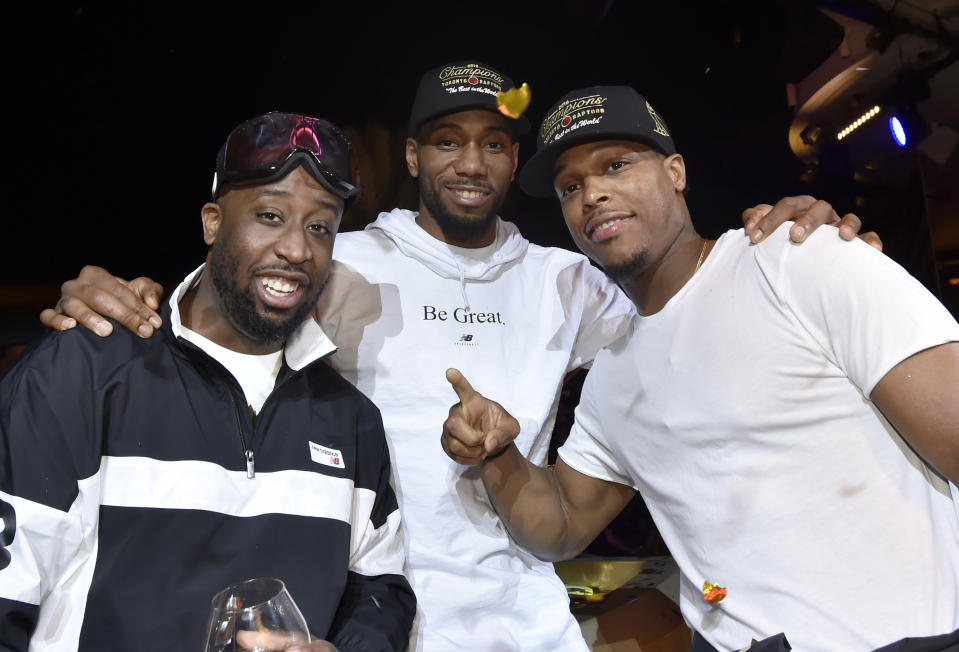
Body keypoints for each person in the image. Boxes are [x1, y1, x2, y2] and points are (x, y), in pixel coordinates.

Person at [38, 62, 873, 651]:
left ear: (515, 160)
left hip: (528, 621)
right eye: (444, 140)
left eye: (492, 143)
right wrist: (123, 294)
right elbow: (228, 299)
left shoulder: (571, 281)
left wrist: (786, 234)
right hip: (372, 614)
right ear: (411, 157)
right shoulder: (343, 258)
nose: (469, 162)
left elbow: (688, 302)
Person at [440, 85, 959, 652]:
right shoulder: (613, 374)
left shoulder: (798, 259)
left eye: (616, 165)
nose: (593, 194)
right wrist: (496, 453)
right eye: (571, 187)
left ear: (677, 172)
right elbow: (560, 522)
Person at [0, 112, 415, 651]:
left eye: (320, 227)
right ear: (213, 222)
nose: (296, 249)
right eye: (270, 215)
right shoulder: (84, 372)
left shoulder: (350, 419)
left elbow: (379, 591)